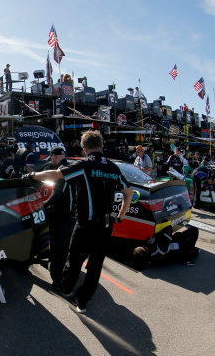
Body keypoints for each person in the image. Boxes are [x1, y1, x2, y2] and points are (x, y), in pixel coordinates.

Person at [25, 130, 133, 313]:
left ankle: (65, 289)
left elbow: (56, 175)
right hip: (106, 226)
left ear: (84, 148)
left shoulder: (85, 164)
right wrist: (121, 214)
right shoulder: (114, 168)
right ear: (102, 145)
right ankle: (82, 302)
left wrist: (32, 176)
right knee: (95, 266)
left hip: (86, 225)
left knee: (73, 260)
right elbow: (128, 192)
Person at [40, 146, 76, 289]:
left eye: (51, 158)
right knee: (68, 250)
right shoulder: (73, 167)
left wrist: (42, 205)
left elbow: (56, 195)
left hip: (62, 217)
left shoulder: (61, 171)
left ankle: (57, 282)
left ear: (54, 157)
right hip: (74, 216)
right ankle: (66, 276)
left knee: (57, 252)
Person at [132, 225, 199, 268]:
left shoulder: (148, 257)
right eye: (144, 247)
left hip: (170, 250)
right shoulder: (160, 249)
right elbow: (169, 228)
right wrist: (156, 236)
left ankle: (192, 251)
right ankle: (187, 258)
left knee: (178, 234)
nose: (145, 246)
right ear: (146, 250)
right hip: (178, 248)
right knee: (194, 230)